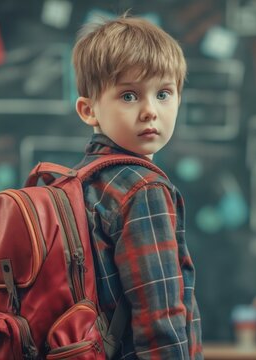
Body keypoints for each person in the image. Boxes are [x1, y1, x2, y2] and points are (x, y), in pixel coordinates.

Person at [71, 13, 203, 360]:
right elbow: (159, 319)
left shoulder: (76, 181)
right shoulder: (143, 189)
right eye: (129, 96)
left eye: (163, 93)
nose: (150, 111)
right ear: (89, 110)